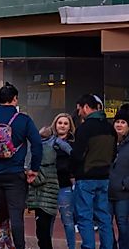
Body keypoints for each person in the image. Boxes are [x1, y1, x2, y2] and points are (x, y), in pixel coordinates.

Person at [0, 83, 44, 249]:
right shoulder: (24, 120)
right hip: (15, 174)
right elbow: (37, 145)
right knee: (16, 216)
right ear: (15, 99)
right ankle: (19, 246)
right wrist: (34, 169)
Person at [72, 94, 116, 249]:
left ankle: (89, 246)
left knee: (85, 217)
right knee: (104, 217)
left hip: (85, 177)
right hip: (104, 177)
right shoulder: (110, 128)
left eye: (79, 109)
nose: (79, 113)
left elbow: (77, 155)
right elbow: (113, 153)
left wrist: (73, 170)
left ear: (86, 107)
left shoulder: (84, 128)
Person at [28, 122, 60, 249]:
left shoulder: (41, 155)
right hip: (49, 198)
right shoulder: (54, 154)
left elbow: (37, 179)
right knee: (45, 229)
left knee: (42, 231)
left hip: (41, 198)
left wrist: (28, 175)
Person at [51, 112, 80, 249]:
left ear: (70, 127)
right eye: (60, 123)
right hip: (49, 186)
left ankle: (71, 247)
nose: (62, 126)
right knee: (48, 221)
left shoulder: (73, 144)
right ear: (55, 125)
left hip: (66, 186)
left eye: (65, 123)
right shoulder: (48, 141)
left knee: (68, 220)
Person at [108, 104, 129, 249]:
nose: (119, 125)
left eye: (123, 122)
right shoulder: (108, 141)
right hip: (106, 192)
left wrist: (125, 184)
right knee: (106, 224)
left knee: (123, 225)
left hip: (123, 194)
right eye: (117, 121)